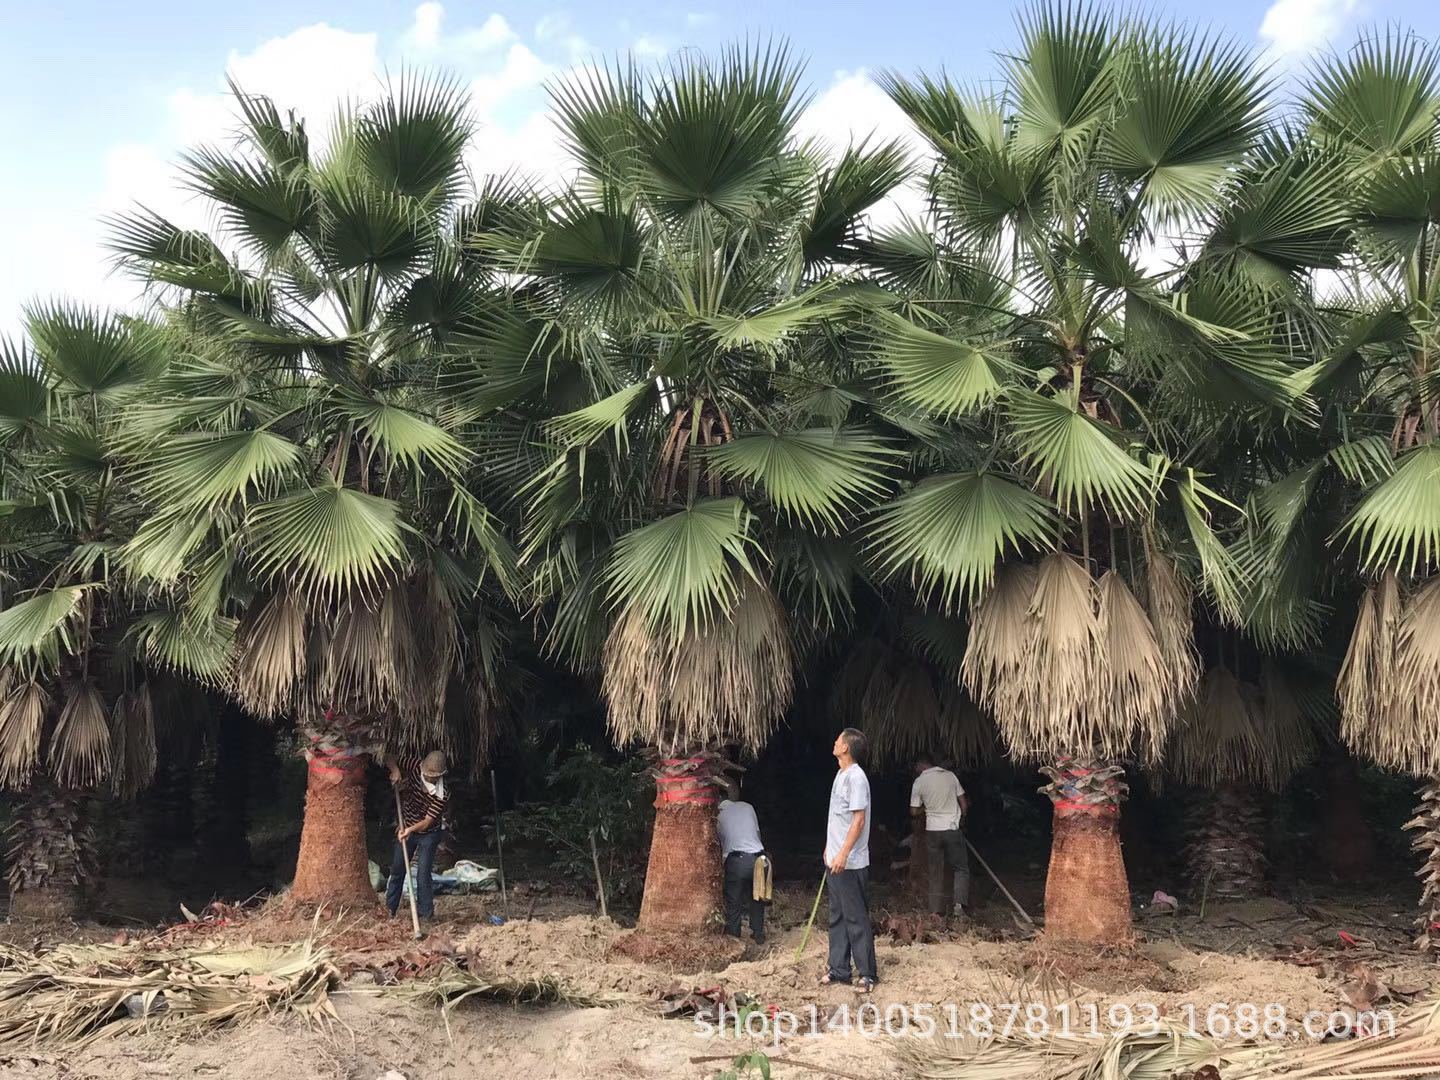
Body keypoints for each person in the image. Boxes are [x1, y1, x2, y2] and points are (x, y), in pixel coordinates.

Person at [820, 728, 877, 991]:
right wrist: (829, 850)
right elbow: (838, 820)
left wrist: (843, 853)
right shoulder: (840, 774)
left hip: (850, 862)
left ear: (846, 748)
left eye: (838, 739)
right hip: (835, 859)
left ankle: (867, 973)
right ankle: (839, 969)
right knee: (837, 916)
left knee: (855, 917)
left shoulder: (857, 777)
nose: (834, 741)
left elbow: (858, 819)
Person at [384, 750, 449, 921]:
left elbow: (427, 822)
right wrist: (395, 770)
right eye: (427, 775)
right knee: (398, 869)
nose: (429, 778)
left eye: (433, 777)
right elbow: (390, 755)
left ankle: (425, 914)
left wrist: (409, 830)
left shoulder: (442, 794)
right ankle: (389, 909)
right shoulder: (414, 765)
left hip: (429, 834)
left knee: (423, 873)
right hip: (407, 825)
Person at [910, 753, 970, 917]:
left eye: (916, 768)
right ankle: (959, 906)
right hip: (952, 828)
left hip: (933, 831)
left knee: (935, 871)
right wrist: (961, 821)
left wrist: (927, 809)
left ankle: (935, 911)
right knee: (961, 868)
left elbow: (914, 811)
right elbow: (964, 804)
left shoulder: (919, 781)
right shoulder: (950, 776)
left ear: (921, 765)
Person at [717, 778, 767, 944]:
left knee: (734, 901)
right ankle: (758, 935)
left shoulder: (718, 816)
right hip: (760, 859)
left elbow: (721, 844)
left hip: (737, 861)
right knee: (757, 898)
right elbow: (757, 835)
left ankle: (734, 937)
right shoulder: (748, 807)